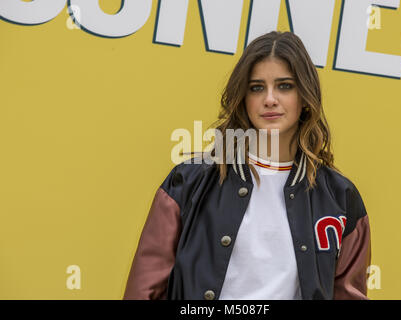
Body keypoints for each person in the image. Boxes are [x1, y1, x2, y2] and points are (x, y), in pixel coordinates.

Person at [123, 31, 371, 300]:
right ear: (244, 97)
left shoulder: (340, 198)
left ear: (305, 95)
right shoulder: (189, 182)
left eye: (285, 86)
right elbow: (144, 290)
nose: (270, 99)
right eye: (257, 87)